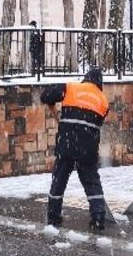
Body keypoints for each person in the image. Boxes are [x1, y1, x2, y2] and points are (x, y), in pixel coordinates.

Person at [40, 68, 109, 229]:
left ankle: (53, 215)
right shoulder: (103, 101)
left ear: (86, 79)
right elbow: (97, 123)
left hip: (67, 143)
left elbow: (46, 95)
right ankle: (98, 215)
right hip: (88, 146)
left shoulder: (71, 87)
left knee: (59, 179)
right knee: (91, 181)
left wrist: (50, 100)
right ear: (100, 83)